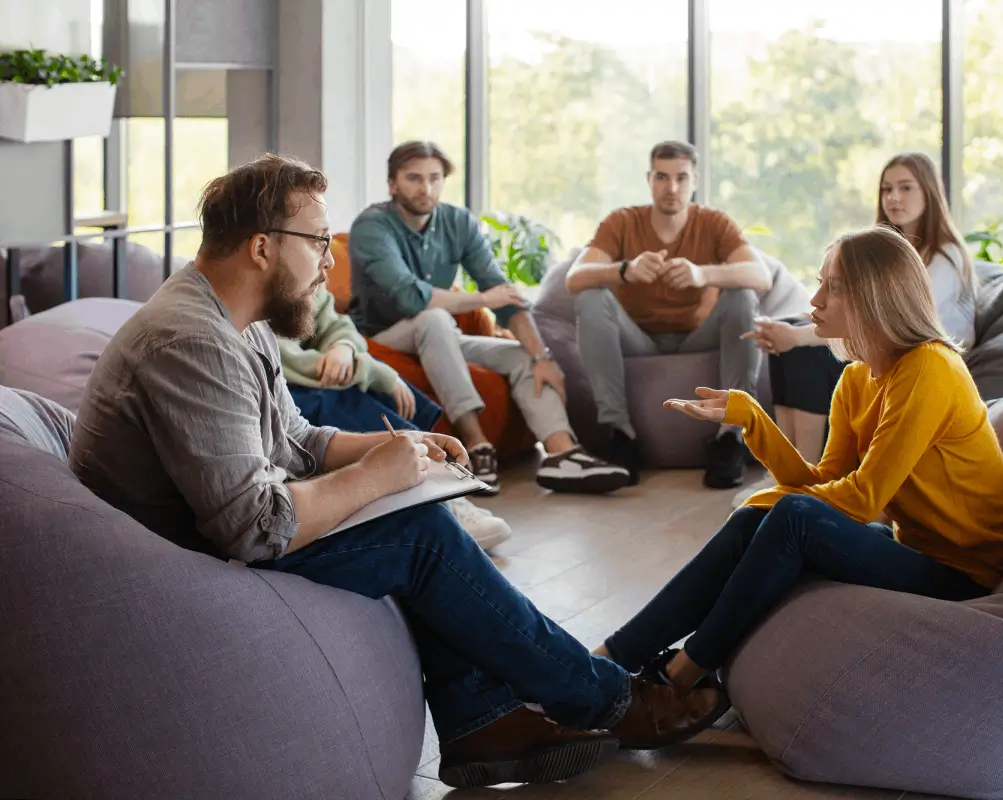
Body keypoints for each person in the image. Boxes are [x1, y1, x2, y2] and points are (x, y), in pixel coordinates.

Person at [68, 155, 728, 789]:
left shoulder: (237, 323)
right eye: (320, 242)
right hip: (182, 571)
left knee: (416, 509)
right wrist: (379, 478)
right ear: (262, 247)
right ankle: (605, 701)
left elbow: (294, 441)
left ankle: (482, 723)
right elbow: (252, 526)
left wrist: (405, 448)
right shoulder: (191, 338)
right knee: (420, 536)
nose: (331, 264)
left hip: (209, 534)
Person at [593, 226, 1003, 692]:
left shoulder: (930, 368)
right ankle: (611, 657)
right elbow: (824, 480)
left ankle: (683, 676)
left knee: (788, 513)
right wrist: (752, 417)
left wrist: (774, 500)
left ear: (873, 296)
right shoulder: (857, 379)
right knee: (758, 521)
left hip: (966, 574)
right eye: (820, 282)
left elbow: (861, 499)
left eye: (832, 286)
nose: (814, 299)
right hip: (913, 549)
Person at [348, 140, 628, 495]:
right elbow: (410, 296)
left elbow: (503, 295)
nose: (426, 188)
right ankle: (476, 448)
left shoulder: (456, 221)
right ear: (393, 184)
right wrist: (482, 298)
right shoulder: (372, 227)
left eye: (434, 178)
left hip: (440, 336)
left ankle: (563, 456)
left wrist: (541, 356)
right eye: (414, 178)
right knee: (434, 319)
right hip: (381, 338)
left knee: (520, 354)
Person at [736, 151, 976, 505]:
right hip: (885, 346)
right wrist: (794, 327)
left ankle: (806, 469)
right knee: (788, 334)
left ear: (929, 193)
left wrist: (799, 338)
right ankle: (783, 473)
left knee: (804, 351)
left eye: (906, 188)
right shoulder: (885, 252)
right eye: (887, 189)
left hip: (914, 355)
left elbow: (899, 319)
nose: (894, 198)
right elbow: (856, 304)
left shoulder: (945, 255)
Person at [566, 140, 771, 489]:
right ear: (649, 179)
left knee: (742, 295)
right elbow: (574, 278)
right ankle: (620, 435)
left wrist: (703, 274)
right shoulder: (622, 221)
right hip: (639, 339)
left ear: (695, 181)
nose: (671, 188)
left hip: (698, 335)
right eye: (662, 177)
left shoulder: (714, 223)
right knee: (590, 297)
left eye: (681, 178)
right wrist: (624, 270)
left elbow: (762, 276)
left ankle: (730, 437)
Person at [279, 283, 512, 550]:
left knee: (390, 395)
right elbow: (285, 362)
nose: (327, 260)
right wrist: (369, 369)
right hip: (285, 397)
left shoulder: (306, 276)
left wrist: (344, 347)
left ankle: (438, 490)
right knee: (339, 395)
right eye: (319, 243)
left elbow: (337, 324)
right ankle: (437, 499)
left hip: (307, 382)